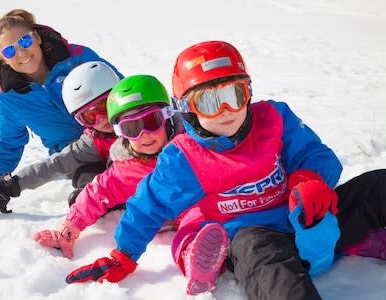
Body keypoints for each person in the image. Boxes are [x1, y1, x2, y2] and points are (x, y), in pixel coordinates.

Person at [64, 41, 386, 299]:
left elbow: (313, 153)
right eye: (208, 102)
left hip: (307, 215)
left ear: (248, 92)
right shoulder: (183, 158)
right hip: (257, 239)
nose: (225, 112)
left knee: (377, 184)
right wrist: (124, 254)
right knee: (257, 249)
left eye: (234, 95)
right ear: (187, 108)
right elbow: (148, 206)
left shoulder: (273, 118)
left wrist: (310, 178)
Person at [32, 74, 183, 258]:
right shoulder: (127, 168)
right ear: (120, 133)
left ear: (167, 117)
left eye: (151, 122)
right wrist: (68, 230)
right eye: (131, 129)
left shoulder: (191, 149)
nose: (143, 134)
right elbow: (96, 193)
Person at [0, 9, 122, 185]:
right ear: (3, 59)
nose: (22, 53)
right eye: (9, 51)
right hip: (75, 158)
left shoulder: (78, 58)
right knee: (99, 187)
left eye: (25, 41)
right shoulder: (6, 96)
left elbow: (122, 90)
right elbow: (7, 142)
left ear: (37, 37)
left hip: (121, 138)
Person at [0, 61, 122, 217]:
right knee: (84, 172)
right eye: (90, 116)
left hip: (148, 182)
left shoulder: (141, 123)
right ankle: (97, 198)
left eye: (105, 106)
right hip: (118, 188)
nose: (102, 118)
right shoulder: (92, 142)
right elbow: (57, 163)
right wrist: (11, 185)